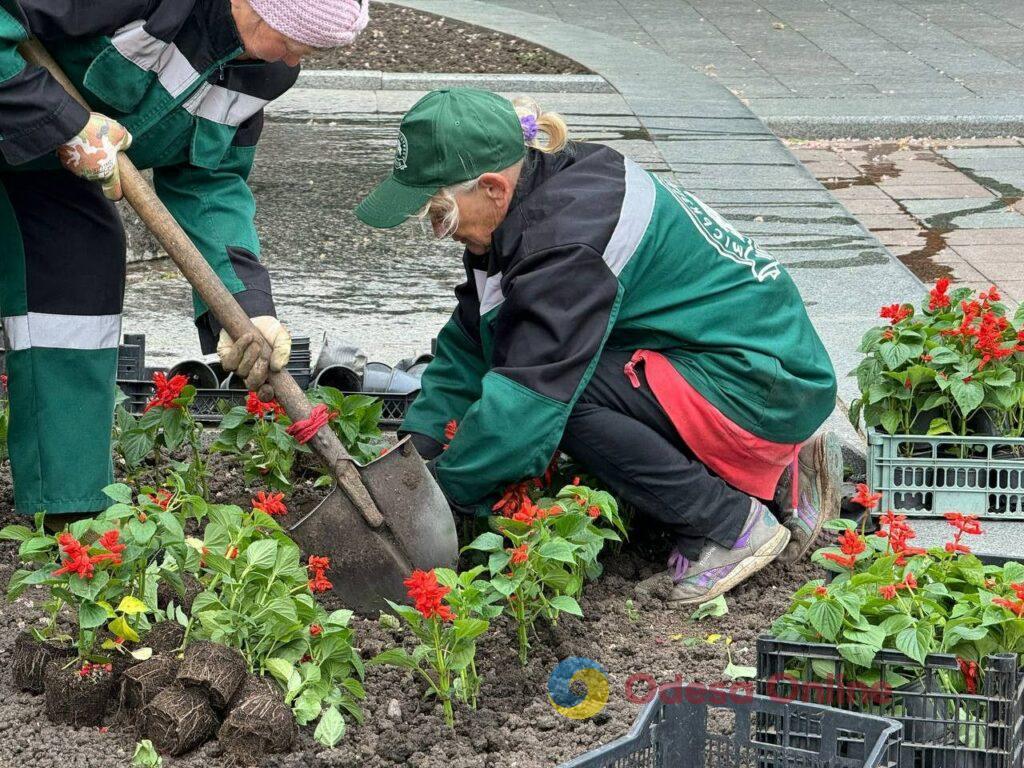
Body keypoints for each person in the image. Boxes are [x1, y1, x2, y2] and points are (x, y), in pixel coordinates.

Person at [355, 89, 843, 605]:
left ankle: (726, 525)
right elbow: (475, 337)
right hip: (752, 361)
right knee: (541, 365)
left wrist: (443, 497)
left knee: (565, 398)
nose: (438, 232)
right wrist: (416, 451)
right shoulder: (538, 197)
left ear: (493, 188)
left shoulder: (566, 243)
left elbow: (529, 404)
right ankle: (780, 470)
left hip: (763, 384)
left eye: (441, 214)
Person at [0, 0, 368, 519]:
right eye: (292, 37)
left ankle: (69, 515)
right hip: (17, 120)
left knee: (78, 278)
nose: (296, 58)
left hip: (51, 173)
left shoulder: (263, 70)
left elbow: (210, 179)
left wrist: (246, 304)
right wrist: (60, 120)